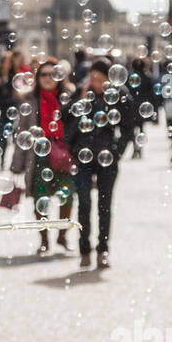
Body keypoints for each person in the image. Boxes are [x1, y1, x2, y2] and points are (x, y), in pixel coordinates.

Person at [63, 57, 135, 269]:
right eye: (92, 77)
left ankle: (103, 249)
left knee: (105, 206)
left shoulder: (120, 97)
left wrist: (117, 151)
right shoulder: (81, 93)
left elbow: (128, 129)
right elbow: (65, 119)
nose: (95, 82)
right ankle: (84, 248)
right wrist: (81, 100)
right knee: (84, 203)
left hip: (107, 158)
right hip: (81, 157)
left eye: (100, 78)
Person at [10, 60, 75, 255]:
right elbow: (21, 133)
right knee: (41, 198)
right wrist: (16, 165)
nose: (48, 78)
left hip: (63, 153)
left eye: (52, 74)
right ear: (38, 78)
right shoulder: (30, 101)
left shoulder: (68, 99)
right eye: (44, 75)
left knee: (67, 196)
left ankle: (62, 235)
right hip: (38, 155)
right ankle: (44, 239)